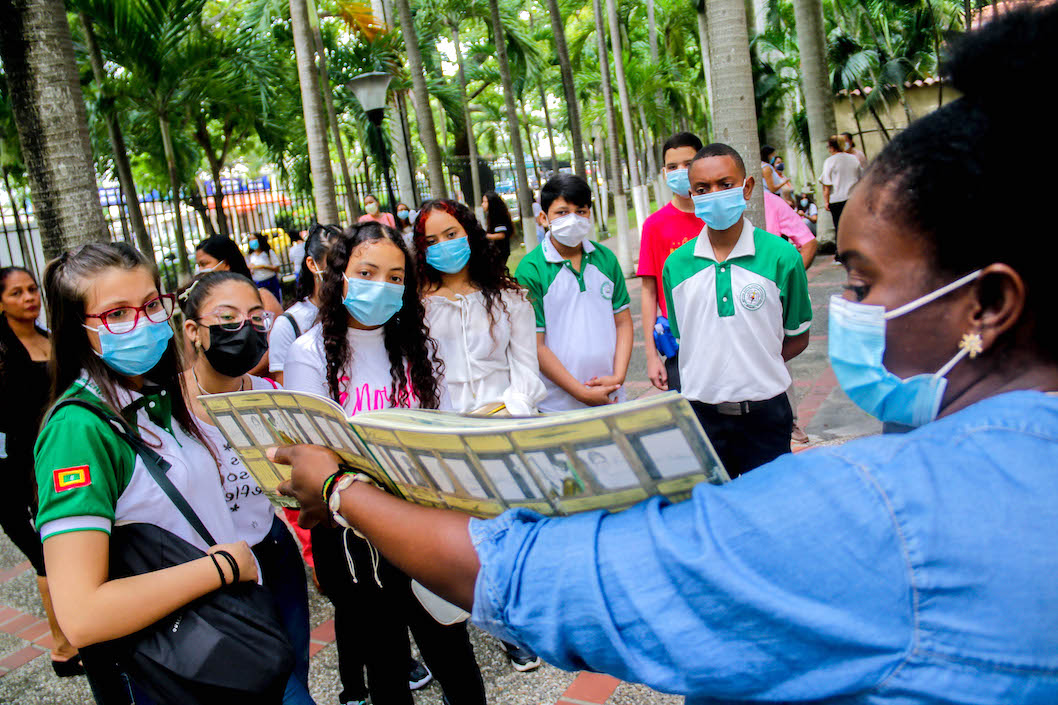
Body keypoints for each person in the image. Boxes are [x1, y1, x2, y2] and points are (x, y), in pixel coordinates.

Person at [274, 9, 1058, 704]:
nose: (845, 307)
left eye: (863, 278)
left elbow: (550, 578)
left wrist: (340, 488)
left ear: (988, 305)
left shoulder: (886, 509)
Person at [33, 242, 275, 703]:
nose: (141, 322)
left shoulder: (158, 395)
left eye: (149, 305)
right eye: (117, 314)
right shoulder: (78, 430)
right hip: (166, 666)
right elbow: (81, 614)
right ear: (77, 330)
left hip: (218, 636)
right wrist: (224, 567)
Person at [283, 222, 486, 705]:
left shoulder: (419, 345)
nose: (382, 285)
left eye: (396, 277)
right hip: (354, 537)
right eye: (367, 272)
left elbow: (443, 429)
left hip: (424, 523)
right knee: (387, 670)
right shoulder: (308, 353)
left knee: (454, 657)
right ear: (340, 275)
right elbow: (315, 457)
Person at [176, 272, 315, 704]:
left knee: (296, 668)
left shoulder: (272, 396)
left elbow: (296, 482)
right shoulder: (166, 410)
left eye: (256, 317)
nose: (246, 328)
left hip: (273, 553)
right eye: (227, 317)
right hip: (207, 567)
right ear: (194, 332)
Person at [662, 143, 812, 478]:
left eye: (725, 184)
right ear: (692, 194)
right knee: (716, 512)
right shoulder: (676, 265)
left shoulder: (781, 257)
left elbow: (797, 337)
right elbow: (685, 337)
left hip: (766, 414)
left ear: (746, 187)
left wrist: (754, 364)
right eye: (703, 189)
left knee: (771, 508)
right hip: (702, 418)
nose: (714, 194)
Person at [0, 267, 82, 678]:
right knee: (45, 557)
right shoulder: (1, 352)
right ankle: (63, 647)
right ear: (1, 303)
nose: (29, 297)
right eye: (17, 293)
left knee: (65, 549)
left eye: (32, 289)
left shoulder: (51, 341)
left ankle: (79, 632)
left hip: (57, 462)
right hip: (13, 474)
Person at [417, 198, 545, 417]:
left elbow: (526, 367)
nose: (443, 245)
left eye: (451, 235)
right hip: (443, 430)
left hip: (504, 420)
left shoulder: (510, 298)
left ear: (470, 234)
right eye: (431, 241)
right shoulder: (418, 306)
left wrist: (510, 410)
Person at [516, 174, 633, 411]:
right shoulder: (531, 270)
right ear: (543, 218)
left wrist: (618, 376)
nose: (573, 219)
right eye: (561, 212)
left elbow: (623, 323)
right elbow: (536, 345)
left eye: (581, 211)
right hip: (557, 406)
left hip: (612, 394)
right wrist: (581, 393)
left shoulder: (605, 259)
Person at [638, 132, 704, 393]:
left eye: (688, 164)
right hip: (680, 347)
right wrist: (652, 355)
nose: (681, 171)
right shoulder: (655, 226)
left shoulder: (719, 216)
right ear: (664, 172)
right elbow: (648, 291)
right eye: (673, 167)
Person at [763, 190, 818, 445]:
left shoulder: (771, 203)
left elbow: (808, 242)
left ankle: (790, 421)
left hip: (767, 305)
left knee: (778, 356)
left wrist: (792, 282)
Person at [195, 235, 283, 319]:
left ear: (225, 263)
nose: (200, 270)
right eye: (198, 265)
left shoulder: (262, 299)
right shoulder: (204, 305)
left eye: (204, 264)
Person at [820, 135, 863, 231]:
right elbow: (861, 179)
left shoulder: (829, 161)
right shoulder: (854, 159)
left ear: (831, 147)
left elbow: (826, 184)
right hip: (853, 199)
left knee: (840, 230)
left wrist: (826, 201)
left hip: (837, 201)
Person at [481, 191, 515, 267]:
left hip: (501, 251)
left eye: (485, 202)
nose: (482, 204)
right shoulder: (491, 216)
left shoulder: (498, 216)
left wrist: (485, 236)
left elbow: (501, 235)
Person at [249, 232, 283, 304]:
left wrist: (264, 266)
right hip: (258, 283)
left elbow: (277, 268)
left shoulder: (268, 253)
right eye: (250, 239)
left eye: (254, 239)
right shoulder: (251, 256)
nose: (252, 241)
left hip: (270, 281)